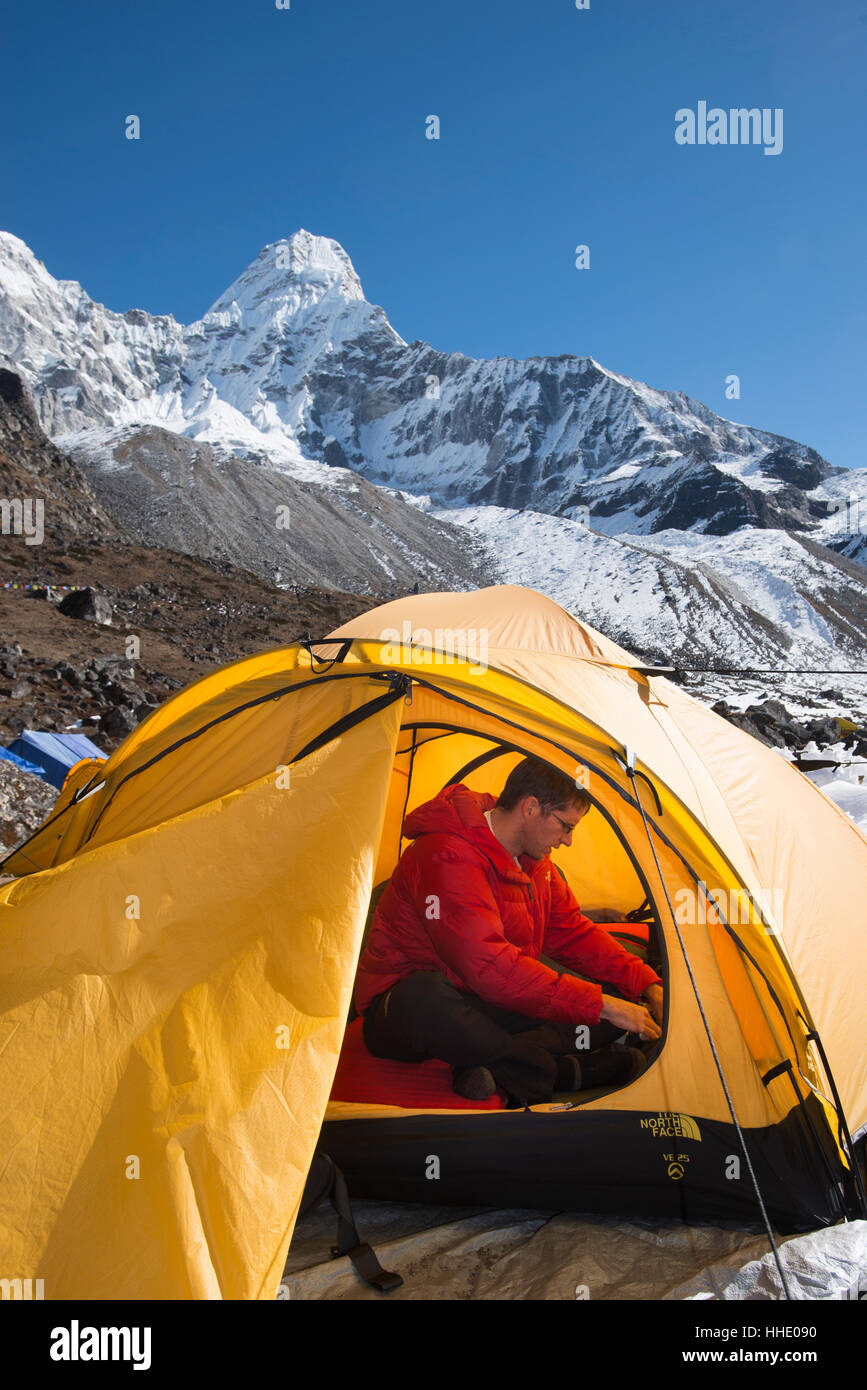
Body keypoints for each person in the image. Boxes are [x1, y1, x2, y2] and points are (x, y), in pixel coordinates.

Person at [355, 757, 664, 1106]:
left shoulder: (535, 861)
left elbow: (571, 932)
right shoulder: (446, 855)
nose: (568, 842)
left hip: (477, 998)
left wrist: (644, 981)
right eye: (566, 827)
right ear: (531, 808)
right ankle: (559, 1071)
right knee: (424, 995)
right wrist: (603, 1007)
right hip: (401, 1014)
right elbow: (490, 967)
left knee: (611, 996)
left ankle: (486, 1067)